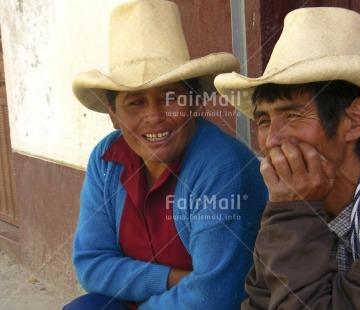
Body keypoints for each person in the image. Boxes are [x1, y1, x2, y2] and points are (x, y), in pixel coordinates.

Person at [65, 1, 267, 309]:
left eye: (170, 97)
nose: (155, 116)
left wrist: (146, 285)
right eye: (135, 103)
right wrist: (173, 278)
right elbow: (91, 265)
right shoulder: (105, 160)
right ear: (113, 115)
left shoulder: (221, 166)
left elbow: (214, 295)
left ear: (194, 103)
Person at [214, 7, 360, 309]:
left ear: (354, 120)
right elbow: (260, 300)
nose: (273, 140)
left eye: (293, 115)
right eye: (264, 120)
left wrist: (292, 213)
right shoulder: (300, 196)